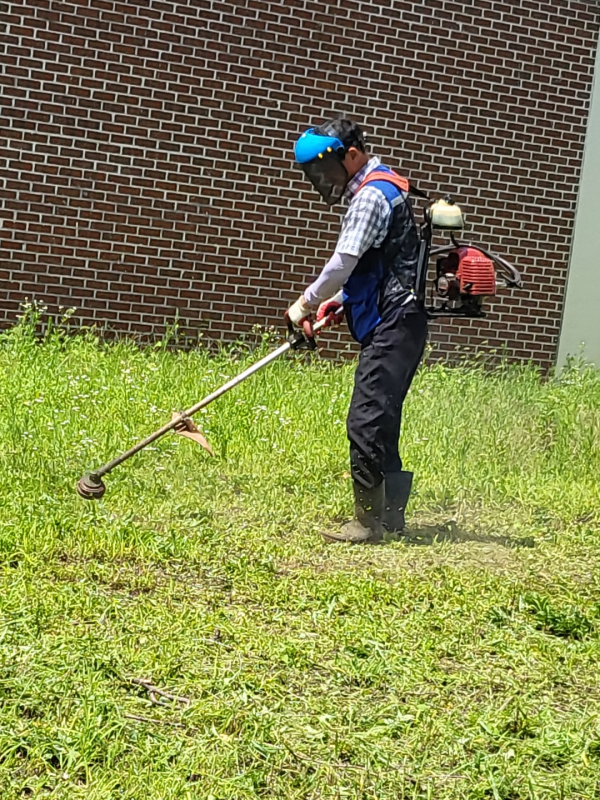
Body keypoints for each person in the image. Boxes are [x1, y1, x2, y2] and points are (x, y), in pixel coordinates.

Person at [287, 118, 428, 544]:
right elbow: (382, 265)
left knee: (366, 419)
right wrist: (341, 302)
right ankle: (390, 520)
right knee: (382, 418)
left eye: (326, 170)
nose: (322, 180)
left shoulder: (370, 196)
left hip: (394, 323)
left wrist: (306, 302)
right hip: (404, 321)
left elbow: (342, 264)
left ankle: (368, 523)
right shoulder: (385, 188)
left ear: (351, 155)